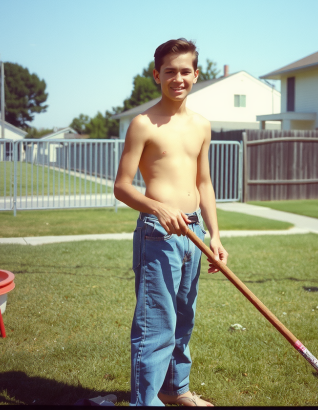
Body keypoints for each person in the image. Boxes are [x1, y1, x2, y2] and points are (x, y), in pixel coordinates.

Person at [114, 39, 228, 407]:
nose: (177, 78)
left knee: (184, 316)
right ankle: (145, 401)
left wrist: (215, 235)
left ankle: (175, 389)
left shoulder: (202, 126)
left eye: (184, 71)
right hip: (158, 232)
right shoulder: (142, 124)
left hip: (194, 232)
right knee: (155, 323)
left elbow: (204, 183)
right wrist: (155, 208)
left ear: (196, 75)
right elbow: (121, 187)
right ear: (156, 75)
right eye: (169, 72)